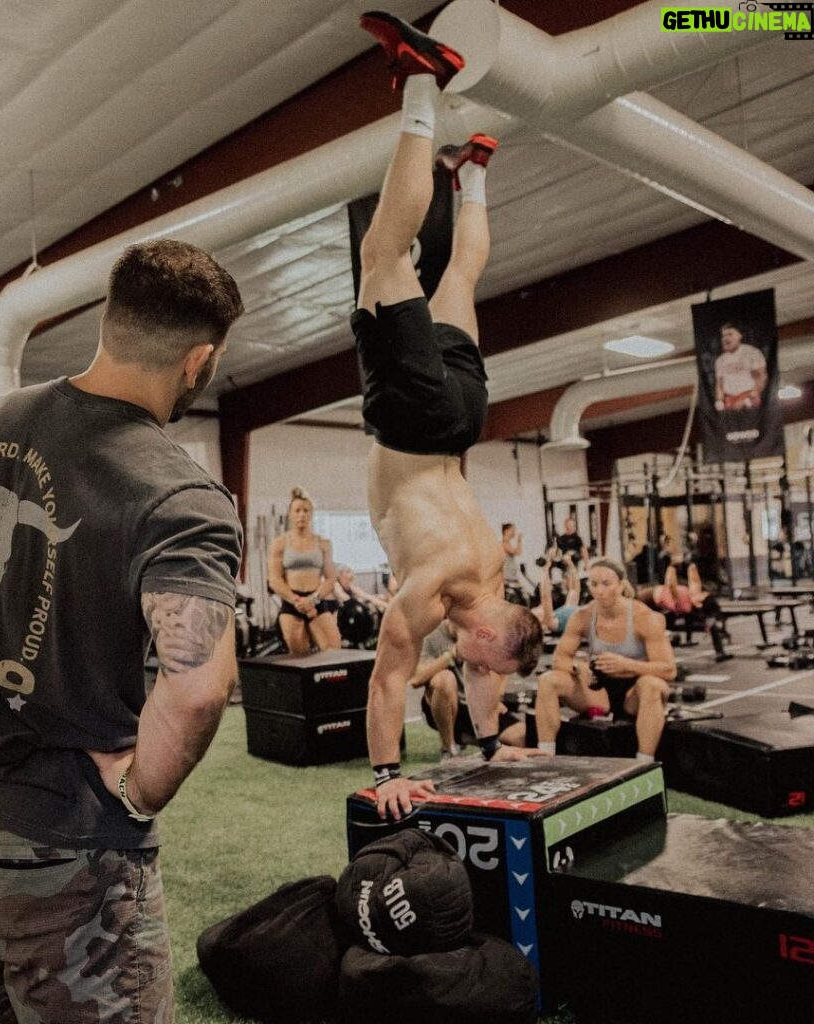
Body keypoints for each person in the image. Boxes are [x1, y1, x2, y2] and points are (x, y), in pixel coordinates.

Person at [0, 239, 244, 1024]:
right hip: (69, 854)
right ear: (199, 360)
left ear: (109, 322)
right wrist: (137, 794)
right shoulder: (180, 491)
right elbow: (200, 687)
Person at [353, 11, 544, 821]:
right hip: (417, 421)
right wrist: (389, 770)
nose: (478, 673)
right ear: (495, 636)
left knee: (459, 283)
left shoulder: (500, 585)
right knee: (383, 259)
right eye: (487, 664)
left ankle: (475, 172)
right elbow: (389, 675)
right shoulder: (433, 590)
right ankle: (421, 85)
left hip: (467, 418)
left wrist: (498, 747)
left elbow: (478, 680)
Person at [535, 558, 677, 762]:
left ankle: (644, 763)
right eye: (594, 585)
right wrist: (577, 668)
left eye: (606, 584)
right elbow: (560, 659)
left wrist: (626, 664)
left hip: (635, 693)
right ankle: (545, 758)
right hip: (599, 691)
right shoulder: (583, 616)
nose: (599, 591)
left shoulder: (643, 617)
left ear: (621, 585)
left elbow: (669, 670)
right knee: (548, 680)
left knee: (653, 685)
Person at [409, 621, 525, 761]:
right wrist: (450, 655)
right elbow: (416, 680)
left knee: (521, 736)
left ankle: (467, 737)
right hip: (445, 704)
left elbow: (502, 668)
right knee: (444, 679)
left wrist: (496, 698)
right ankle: (449, 748)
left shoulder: (480, 633)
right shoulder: (431, 636)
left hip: (475, 704)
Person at [266, 487, 342, 654]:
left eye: (306, 511)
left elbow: (331, 578)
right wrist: (298, 601)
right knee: (300, 659)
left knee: (334, 653)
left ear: (311, 514)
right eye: (297, 510)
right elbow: (274, 580)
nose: (301, 514)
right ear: (290, 514)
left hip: (317, 601)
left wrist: (313, 601)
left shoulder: (323, 543)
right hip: (292, 603)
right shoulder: (279, 543)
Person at [637, 560, 731, 662]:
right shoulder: (694, 595)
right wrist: (691, 565)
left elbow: (671, 585)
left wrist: (672, 567)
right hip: (653, 595)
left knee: (646, 626)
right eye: (704, 593)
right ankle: (720, 652)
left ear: (699, 604)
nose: (702, 593)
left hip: (648, 599)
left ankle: (654, 656)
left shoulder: (685, 605)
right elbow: (695, 581)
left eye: (702, 596)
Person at [714, 321, 767, 411]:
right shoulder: (720, 360)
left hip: (750, 397)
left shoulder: (752, 352)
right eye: (723, 336)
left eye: (730, 334)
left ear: (739, 335)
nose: (725, 338)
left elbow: (761, 376)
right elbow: (719, 383)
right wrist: (719, 400)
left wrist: (750, 398)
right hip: (730, 401)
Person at [531, 549, 580, 636]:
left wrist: (570, 564)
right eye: (537, 612)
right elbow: (546, 596)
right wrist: (545, 569)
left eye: (537, 609)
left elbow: (574, 591)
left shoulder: (559, 615)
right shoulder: (551, 623)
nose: (539, 607)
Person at [501, 523, 525, 602]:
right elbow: (517, 552)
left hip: (511, 576)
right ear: (506, 531)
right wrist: (519, 540)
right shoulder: (504, 543)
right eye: (512, 530)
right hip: (508, 577)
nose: (514, 532)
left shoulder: (507, 543)